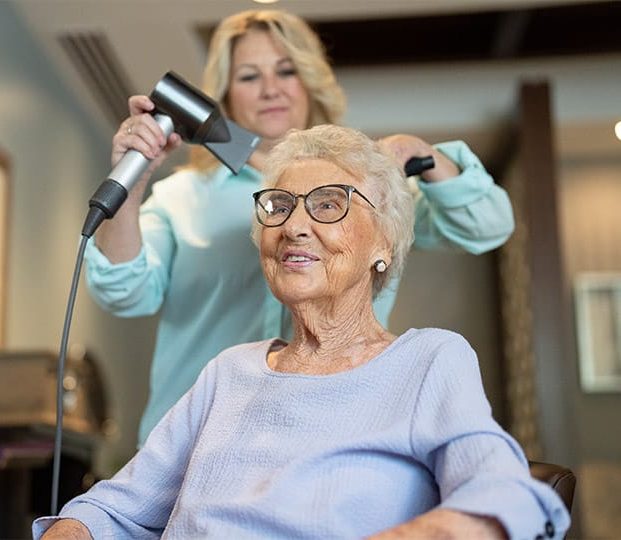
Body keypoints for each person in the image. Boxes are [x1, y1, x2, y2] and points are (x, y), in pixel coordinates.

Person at [35, 125, 568, 539]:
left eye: (330, 204)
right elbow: (111, 510)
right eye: (279, 206)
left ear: (384, 245)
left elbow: (503, 496)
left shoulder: (429, 360)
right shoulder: (228, 372)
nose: (293, 225)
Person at [86, 9, 515, 446]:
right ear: (226, 94)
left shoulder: (371, 195)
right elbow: (123, 291)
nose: (271, 88)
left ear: (310, 82)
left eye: (286, 71)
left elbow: (488, 225)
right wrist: (134, 180)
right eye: (250, 76)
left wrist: (415, 151)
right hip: (197, 438)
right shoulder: (183, 198)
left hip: (331, 432)